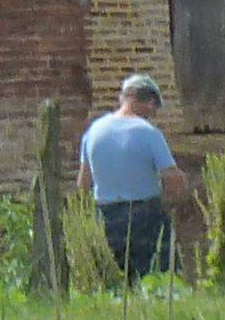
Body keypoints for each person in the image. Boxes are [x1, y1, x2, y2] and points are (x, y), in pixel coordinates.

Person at [80, 74, 193, 284]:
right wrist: (181, 198)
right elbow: (172, 179)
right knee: (157, 277)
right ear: (149, 102)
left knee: (115, 278)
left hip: (105, 214)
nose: (153, 113)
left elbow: (84, 183)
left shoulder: (93, 132)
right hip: (145, 215)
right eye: (154, 107)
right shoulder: (149, 133)